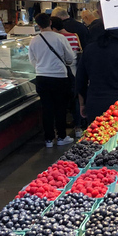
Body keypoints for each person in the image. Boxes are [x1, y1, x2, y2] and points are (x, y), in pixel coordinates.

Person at [28, 13, 76, 148]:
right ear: (50, 22)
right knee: (60, 108)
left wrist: (42, 66)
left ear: (38, 25)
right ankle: (61, 136)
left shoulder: (34, 40)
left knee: (47, 108)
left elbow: (32, 60)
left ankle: (48, 139)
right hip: (60, 77)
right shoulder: (60, 38)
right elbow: (70, 58)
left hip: (42, 77)